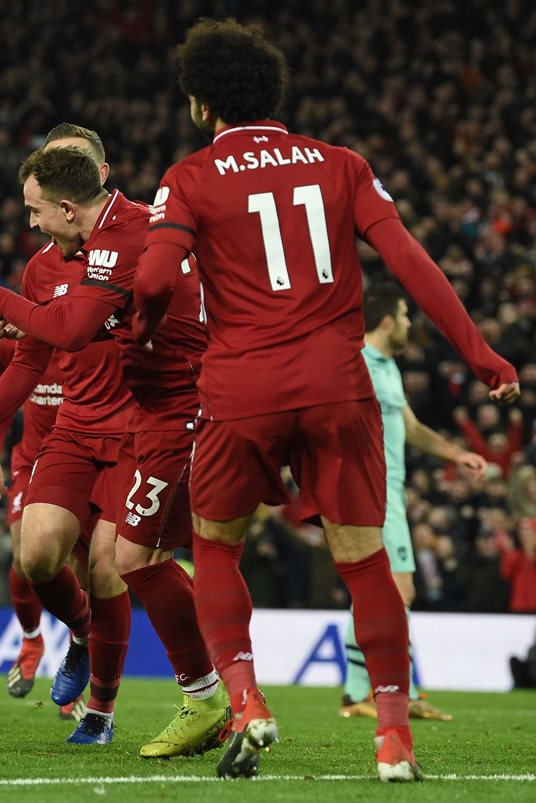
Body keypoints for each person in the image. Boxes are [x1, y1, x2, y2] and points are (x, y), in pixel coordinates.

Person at [123, 19, 519, 781]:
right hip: (340, 386)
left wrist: (141, 330)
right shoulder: (342, 164)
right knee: (366, 563)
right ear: (275, 94)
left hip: (242, 387)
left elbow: (151, 279)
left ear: (204, 104)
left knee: (214, 546)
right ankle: (394, 740)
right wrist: (478, 352)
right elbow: (408, 257)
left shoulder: (191, 176)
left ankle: (247, 702)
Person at [0, 135, 228, 753]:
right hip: (75, 425)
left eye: (35, 209)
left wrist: (2, 300)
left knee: (111, 565)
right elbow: (28, 359)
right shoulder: (48, 261)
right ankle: (81, 631)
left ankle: (101, 709)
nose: (30, 221)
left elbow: (69, 328)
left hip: (141, 423)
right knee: (37, 554)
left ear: (70, 202)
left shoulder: (130, 235)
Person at [340, 286, 486, 721]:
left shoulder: (387, 368)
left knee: (381, 592)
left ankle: (364, 692)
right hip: (370, 491)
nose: (408, 323)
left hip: (392, 492)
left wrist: (456, 454)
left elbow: (413, 428)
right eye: (404, 315)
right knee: (398, 590)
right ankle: (388, 691)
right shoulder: (355, 364)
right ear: (387, 319)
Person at [0, 335, 89, 720]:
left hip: (83, 456)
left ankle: (74, 672)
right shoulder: (19, 336)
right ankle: (31, 641)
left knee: (80, 574)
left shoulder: (93, 332)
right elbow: (5, 392)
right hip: (30, 461)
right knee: (25, 558)